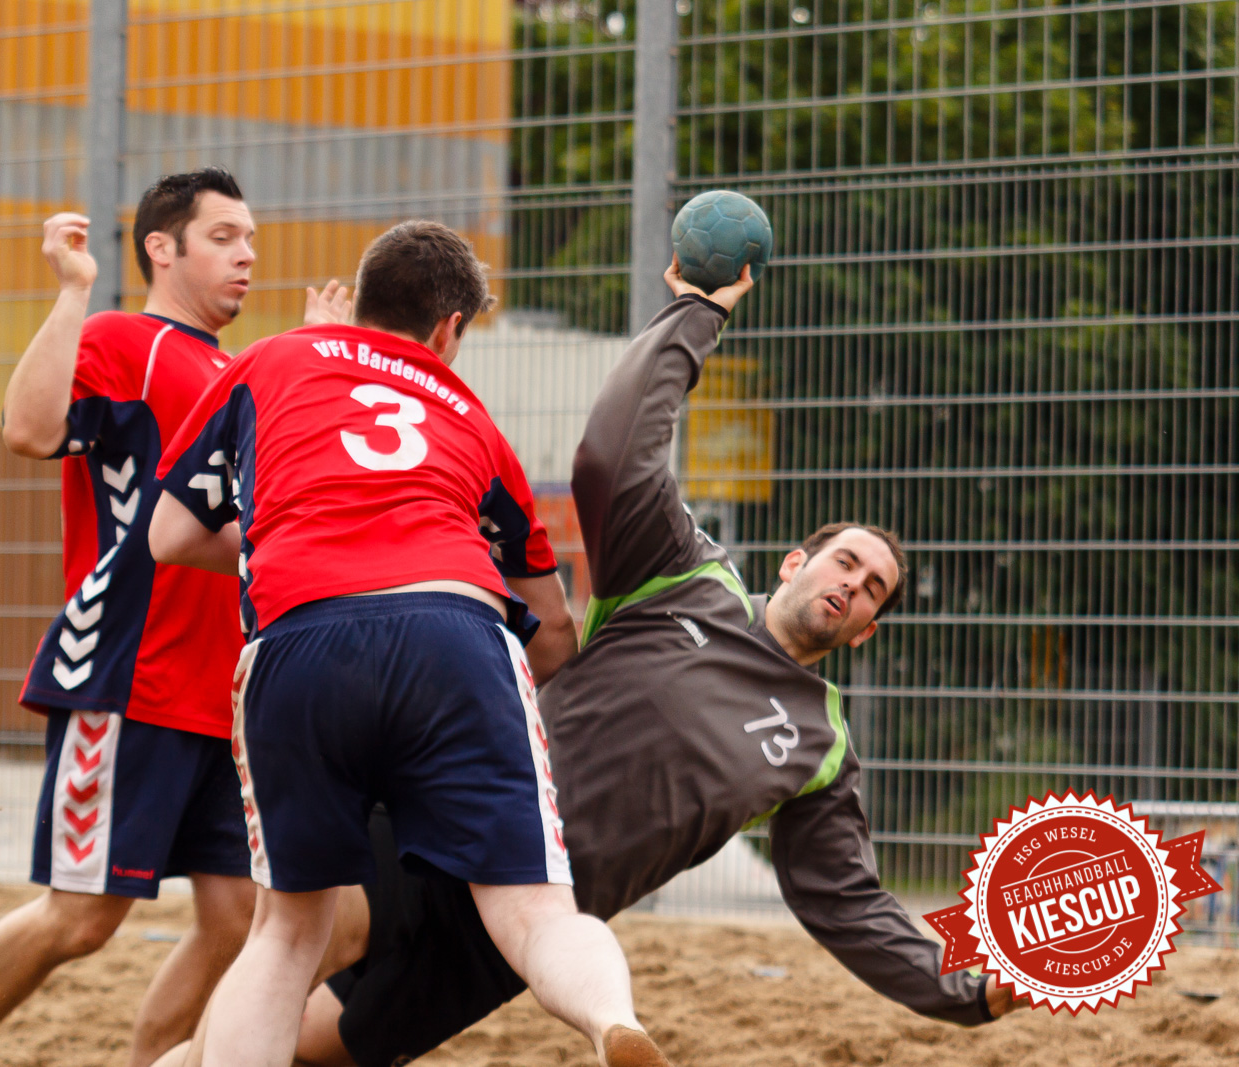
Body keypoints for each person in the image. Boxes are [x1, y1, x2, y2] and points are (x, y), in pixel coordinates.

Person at [179, 259, 1017, 1067]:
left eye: (874, 588)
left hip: (531, 929)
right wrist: (697, 311)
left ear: (867, 630)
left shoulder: (820, 746)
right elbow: (617, 456)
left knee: (310, 1047)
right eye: (845, 562)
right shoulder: (687, 577)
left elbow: (851, 902)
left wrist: (966, 991)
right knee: (310, 936)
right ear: (797, 563)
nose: (854, 585)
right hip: (454, 812)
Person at [150, 220, 672, 1067]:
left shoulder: (273, 360)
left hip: (301, 632)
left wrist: (285, 532)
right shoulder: (472, 416)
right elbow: (553, 624)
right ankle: (612, 1018)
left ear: (359, 302)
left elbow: (168, 537)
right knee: (535, 911)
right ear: (448, 329)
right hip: (455, 631)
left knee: (285, 932)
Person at [0, 169, 347, 1067]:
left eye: (251, 238)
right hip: (133, 673)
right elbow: (30, 431)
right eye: (226, 236)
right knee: (82, 919)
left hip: (225, 695)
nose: (249, 255)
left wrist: (310, 365)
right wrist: (74, 291)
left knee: (239, 921)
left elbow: (269, 524)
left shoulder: (243, 371)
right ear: (163, 247)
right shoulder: (128, 339)